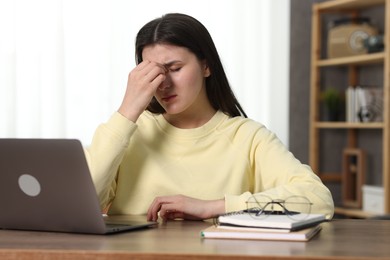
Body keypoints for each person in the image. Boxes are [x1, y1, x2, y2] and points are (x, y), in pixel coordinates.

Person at [85, 13, 334, 222]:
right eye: (153, 73)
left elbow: (318, 200)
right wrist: (128, 110)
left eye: (175, 69)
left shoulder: (247, 136)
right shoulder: (128, 131)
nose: (164, 84)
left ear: (206, 66)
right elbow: (84, 203)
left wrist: (214, 207)